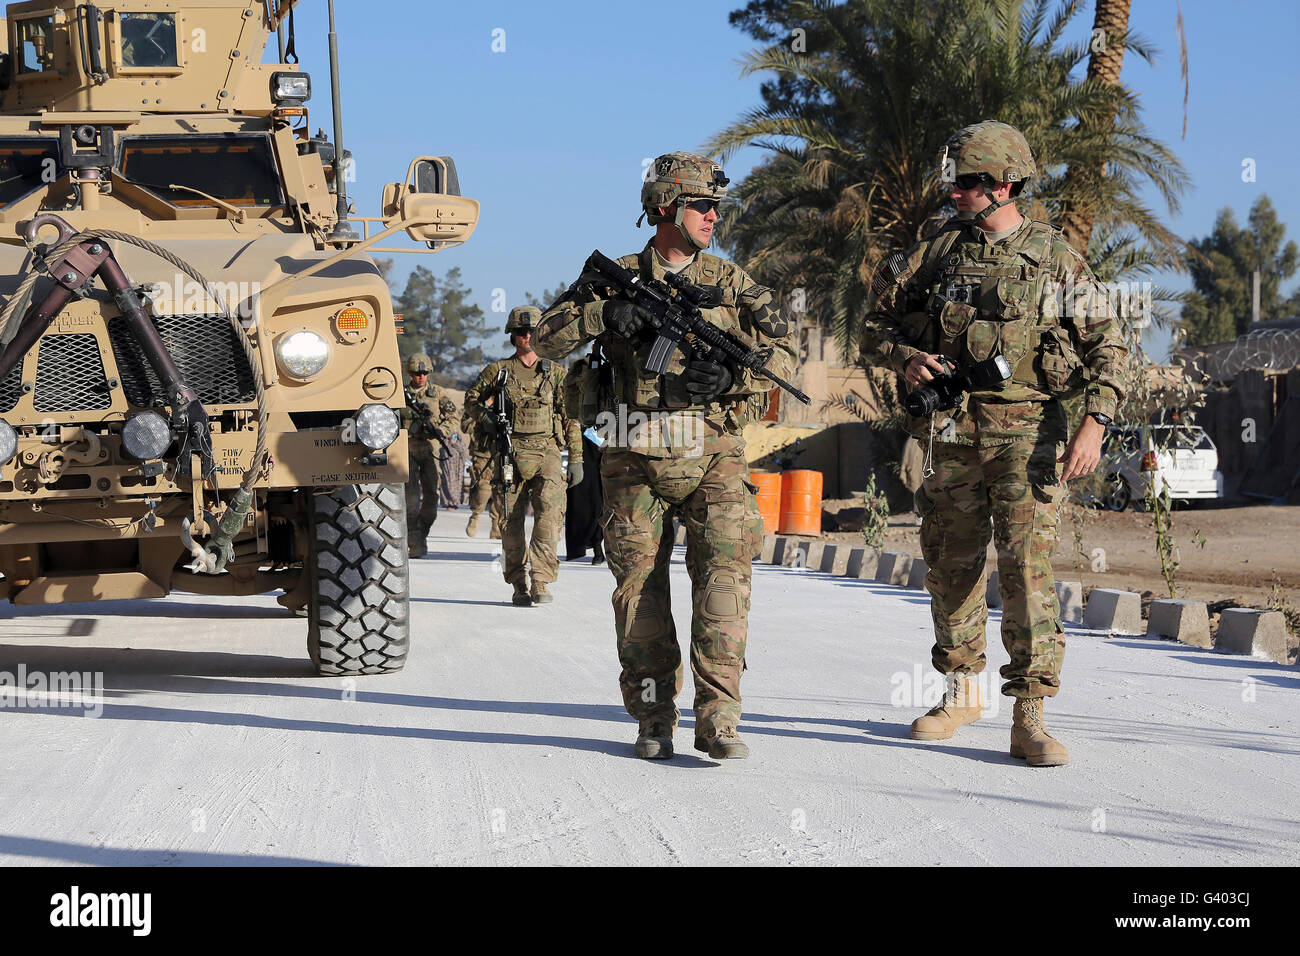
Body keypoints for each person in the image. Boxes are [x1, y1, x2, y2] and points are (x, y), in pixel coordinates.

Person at [859, 121, 1127, 767]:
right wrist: (905, 357)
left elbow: (1112, 347)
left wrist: (1094, 424)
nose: (955, 193)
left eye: (968, 183)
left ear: (1005, 184)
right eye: (953, 182)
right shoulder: (935, 252)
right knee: (950, 566)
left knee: (1026, 572)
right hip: (950, 432)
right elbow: (873, 324)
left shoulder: (1055, 257)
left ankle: (1029, 717)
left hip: (1028, 434)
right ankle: (959, 694)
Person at [535, 152, 797, 761]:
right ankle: (654, 717)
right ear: (664, 210)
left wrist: (733, 378)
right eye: (701, 206)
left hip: (714, 456)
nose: (712, 217)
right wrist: (605, 314)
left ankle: (719, 719)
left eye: (715, 207)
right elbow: (547, 339)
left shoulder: (733, 284)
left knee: (724, 584)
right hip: (632, 455)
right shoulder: (615, 274)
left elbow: (784, 359)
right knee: (639, 592)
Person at [464, 306, 581, 606]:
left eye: (531, 331)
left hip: (548, 454)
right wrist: (486, 418)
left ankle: (540, 580)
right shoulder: (498, 372)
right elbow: (471, 399)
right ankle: (519, 583)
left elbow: (570, 417)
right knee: (511, 523)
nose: (526, 336)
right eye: (520, 332)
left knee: (549, 519)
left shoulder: (555, 373)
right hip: (509, 454)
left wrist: (577, 457)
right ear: (512, 335)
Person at [400, 353, 456, 559]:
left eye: (424, 373)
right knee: (411, 500)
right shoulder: (401, 394)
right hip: (407, 449)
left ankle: (422, 533)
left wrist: (440, 431)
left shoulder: (437, 393)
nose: (421, 376)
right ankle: (414, 542)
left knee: (432, 498)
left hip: (430, 450)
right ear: (410, 373)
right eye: (417, 373)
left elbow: (453, 417)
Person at [563, 354, 605, 565]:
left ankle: (599, 543)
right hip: (584, 440)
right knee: (585, 497)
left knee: (603, 498)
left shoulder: (611, 369)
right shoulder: (577, 373)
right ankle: (592, 544)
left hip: (608, 437)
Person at [463, 403, 503, 539]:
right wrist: (481, 417)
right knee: (483, 488)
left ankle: (496, 525)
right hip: (481, 452)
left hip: (500, 452)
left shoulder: (504, 400)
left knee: (500, 489)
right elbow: (465, 426)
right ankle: (476, 516)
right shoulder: (475, 404)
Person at [438, 398, 468, 509]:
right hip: (447, 458)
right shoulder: (442, 425)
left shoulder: (455, 430)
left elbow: (462, 447)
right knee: (447, 480)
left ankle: (455, 502)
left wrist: (455, 444)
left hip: (457, 460)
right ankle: (448, 502)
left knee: (457, 481)